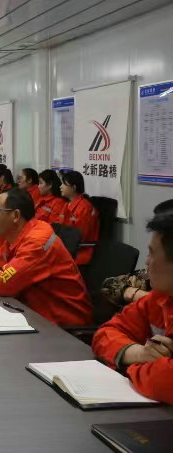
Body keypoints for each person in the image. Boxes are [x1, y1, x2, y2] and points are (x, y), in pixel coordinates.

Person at [0, 189, 92, 326]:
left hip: (63, 325)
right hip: (34, 314)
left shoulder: (37, 242)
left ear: (16, 215)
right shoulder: (15, 235)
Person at [92, 211, 173, 403]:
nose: (147, 261)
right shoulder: (160, 298)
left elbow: (164, 381)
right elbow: (106, 333)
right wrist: (138, 353)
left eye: (152, 253)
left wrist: (128, 367)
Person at [101, 199, 173, 308]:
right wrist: (133, 293)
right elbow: (109, 286)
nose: (147, 261)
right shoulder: (148, 277)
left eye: (153, 253)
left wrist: (147, 299)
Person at [60, 170, 99, 265]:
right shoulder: (67, 205)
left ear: (73, 187)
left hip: (80, 252)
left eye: (64, 184)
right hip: (66, 248)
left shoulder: (84, 208)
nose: (60, 186)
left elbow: (80, 237)